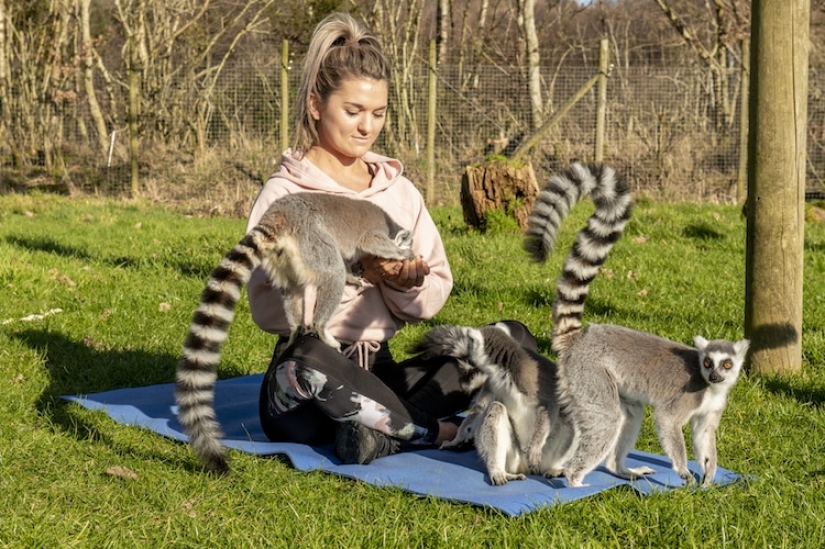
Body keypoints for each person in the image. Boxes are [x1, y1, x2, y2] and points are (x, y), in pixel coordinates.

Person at [248, 12, 543, 464]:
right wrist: (355, 274)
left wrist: (405, 283)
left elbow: (434, 293)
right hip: (309, 385)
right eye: (353, 111)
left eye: (378, 113)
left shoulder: (398, 193)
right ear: (314, 105)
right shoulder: (286, 193)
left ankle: (380, 432)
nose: (367, 126)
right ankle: (431, 430)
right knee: (306, 356)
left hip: (380, 374)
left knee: (512, 340)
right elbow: (266, 307)